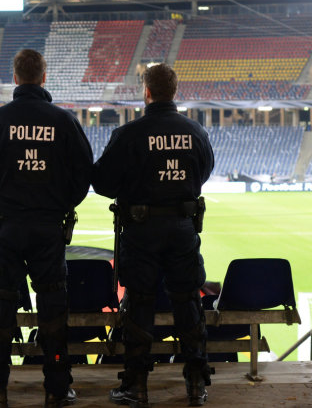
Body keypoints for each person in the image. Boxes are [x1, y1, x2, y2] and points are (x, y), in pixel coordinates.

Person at [0, 49, 93, 408]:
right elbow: (84, 175)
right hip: (49, 228)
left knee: (1, 305)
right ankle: (56, 387)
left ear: (16, 78)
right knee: (53, 306)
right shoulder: (64, 121)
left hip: (5, 228)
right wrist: (63, 205)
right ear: (44, 77)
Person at [91, 63, 214, 407]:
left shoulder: (130, 134)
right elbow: (203, 171)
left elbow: (102, 183)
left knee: (140, 302)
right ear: (175, 91)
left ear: (146, 92)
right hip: (182, 227)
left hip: (142, 229)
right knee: (188, 300)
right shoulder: (196, 132)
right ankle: (195, 382)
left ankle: (137, 385)